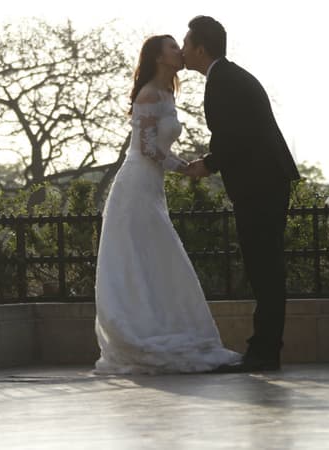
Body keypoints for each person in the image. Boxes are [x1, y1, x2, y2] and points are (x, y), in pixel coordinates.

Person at [93, 34, 241, 374]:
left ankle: (162, 324)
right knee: (142, 257)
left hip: (152, 187)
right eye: (174, 47)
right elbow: (145, 147)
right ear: (159, 57)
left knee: (157, 257)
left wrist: (183, 166)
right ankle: (140, 331)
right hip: (135, 185)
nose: (180, 51)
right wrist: (185, 168)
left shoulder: (168, 93)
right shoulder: (148, 94)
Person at [182, 16, 301, 372]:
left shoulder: (223, 82)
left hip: (260, 185)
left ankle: (264, 353)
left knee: (264, 269)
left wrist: (208, 163)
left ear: (201, 48)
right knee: (265, 268)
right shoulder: (229, 77)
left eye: (187, 45)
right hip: (265, 182)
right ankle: (264, 349)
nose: (184, 51)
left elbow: (236, 136)